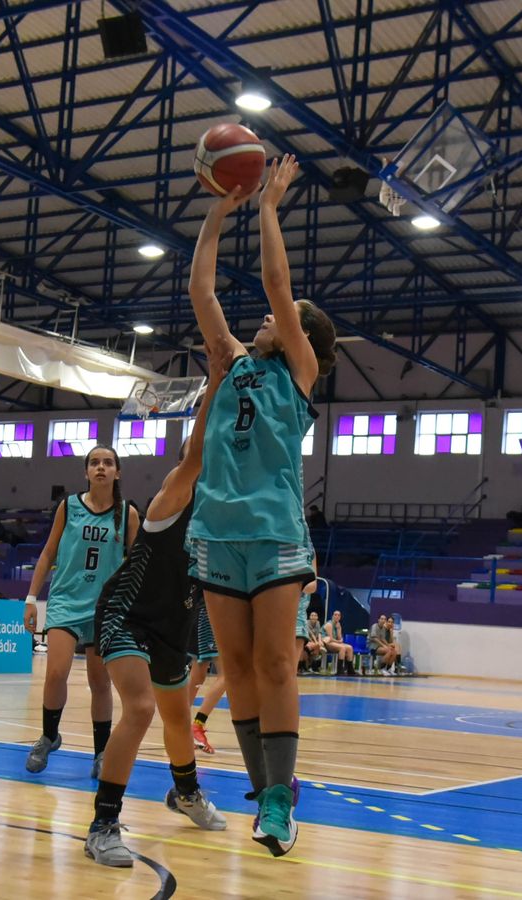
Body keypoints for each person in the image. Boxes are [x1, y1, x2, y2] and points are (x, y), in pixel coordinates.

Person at [185, 155, 336, 857]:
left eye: (286, 319)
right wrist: (220, 208)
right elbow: (201, 288)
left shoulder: (298, 373)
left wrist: (270, 206)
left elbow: (278, 284)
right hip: (217, 529)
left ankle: (280, 795)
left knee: (276, 664)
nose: (271, 318)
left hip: (274, 532)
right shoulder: (232, 362)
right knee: (236, 669)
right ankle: (266, 791)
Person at [85, 338, 231, 867]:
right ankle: (102, 825)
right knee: (141, 708)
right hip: (126, 616)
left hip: (175, 629)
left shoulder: (222, 519)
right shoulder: (173, 496)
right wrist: (216, 382)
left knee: (176, 716)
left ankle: (185, 793)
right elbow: (196, 453)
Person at [22, 444, 138, 778]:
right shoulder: (69, 506)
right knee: (55, 672)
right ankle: (48, 735)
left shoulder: (128, 513)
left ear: (117, 472)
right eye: (94, 463)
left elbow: (140, 562)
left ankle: (101, 752)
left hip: (106, 607)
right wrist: (30, 599)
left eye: (108, 463)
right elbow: (47, 554)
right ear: (86, 472)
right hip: (66, 600)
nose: (101, 467)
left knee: (100, 682)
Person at [321, 610, 355, 675]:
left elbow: (339, 637)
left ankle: (350, 669)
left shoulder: (338, 625)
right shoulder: (329, 624)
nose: (337, 616)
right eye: (335, 615)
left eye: (338, 615)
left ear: (340, 617)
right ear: (332, 616)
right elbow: (330, 639)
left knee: (350, 648)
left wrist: (339, 629)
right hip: (326, 643)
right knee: (342, 648)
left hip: (334, 642)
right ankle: (339, 669)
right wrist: (339, 641)